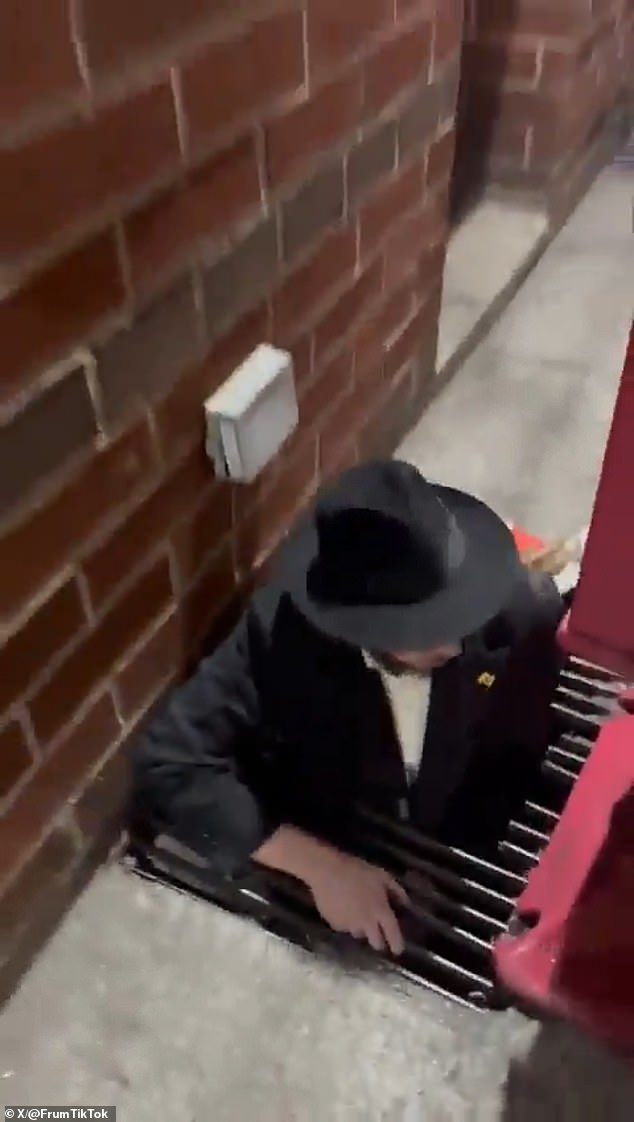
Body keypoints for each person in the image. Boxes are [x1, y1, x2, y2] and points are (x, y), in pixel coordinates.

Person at [131, 461, 565, 957]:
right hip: (343, 825)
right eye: (423, 627)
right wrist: (321, 867)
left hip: (459, 832)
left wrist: (461, 863)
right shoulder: (282, 636)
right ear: (355, 624)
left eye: (456, 610)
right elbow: (169, 763)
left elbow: (516, 756)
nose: (453, 643)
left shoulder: (524, 616)